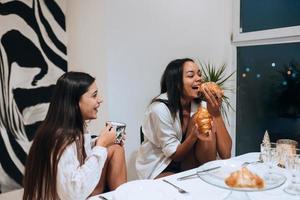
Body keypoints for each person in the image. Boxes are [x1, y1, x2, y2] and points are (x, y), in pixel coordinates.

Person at [23, 71, 127, 200]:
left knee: (115, 147)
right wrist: (100, 146)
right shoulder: (60, 139)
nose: (99, 100)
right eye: (94, 96)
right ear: (76, 101)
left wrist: (102, 142)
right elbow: (72, 193)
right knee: (110, 148)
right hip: (67, 195)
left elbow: (78, 153)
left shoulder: (72, 128)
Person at [135, 58, 232, 179]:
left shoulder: (202, 106)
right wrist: (193, 135)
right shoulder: (159, 109)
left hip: (188, 164)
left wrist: (216, 114)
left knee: (204, 119)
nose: (199, 79)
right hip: (161, 165)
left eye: (199, 74)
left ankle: (208, 177)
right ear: (177, 83)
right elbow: (175, 155)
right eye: (191, 75)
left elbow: (226, 154)